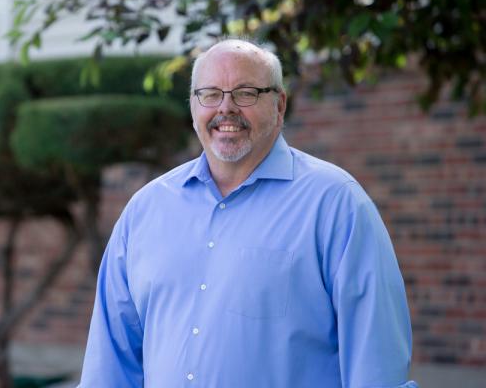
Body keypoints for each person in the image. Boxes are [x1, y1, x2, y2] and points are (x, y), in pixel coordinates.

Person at [77, 38, 417, 388]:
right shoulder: (145, 210)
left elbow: (377, 366)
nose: (226, 108)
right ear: (193, 106)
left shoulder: (335, 205)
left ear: (279, 104)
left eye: (246, 93)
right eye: (210, 94)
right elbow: (110, 364)